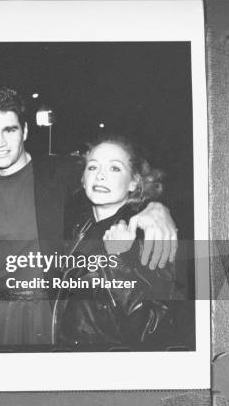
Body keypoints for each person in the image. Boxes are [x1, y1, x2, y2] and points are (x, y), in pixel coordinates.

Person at [0, 87, 178, 347]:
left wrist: (156, 208)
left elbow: (115, 180)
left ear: (25, 131)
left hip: (50, 318)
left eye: (9, 130)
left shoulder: (61, 174)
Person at [53, 136, 177, 348]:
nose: (100, 176)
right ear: (83, 179)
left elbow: (153, 327)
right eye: (93, 167)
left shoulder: (148, 234)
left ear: (134, 182)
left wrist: (118, 260)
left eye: (114, 168)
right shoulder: (79, 225)